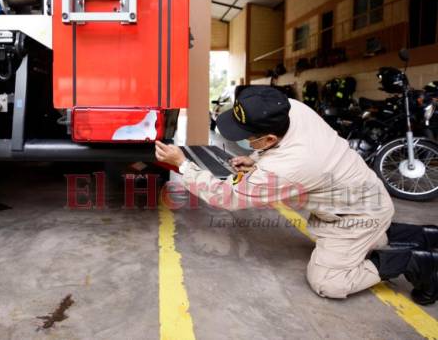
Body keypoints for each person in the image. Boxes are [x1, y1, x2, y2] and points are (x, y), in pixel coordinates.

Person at [155, 85, 438, 304]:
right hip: (361, 196)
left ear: (268, 139)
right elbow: (282, 147)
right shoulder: (291, 109)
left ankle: (420, 263)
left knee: (328, 281)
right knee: (357, 233)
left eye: (248, 134)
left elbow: (227, 197)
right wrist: (256, 158)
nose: (240, 137)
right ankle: (425, 235)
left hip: (353, 216)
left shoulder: (290, 167)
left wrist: (183, 165)